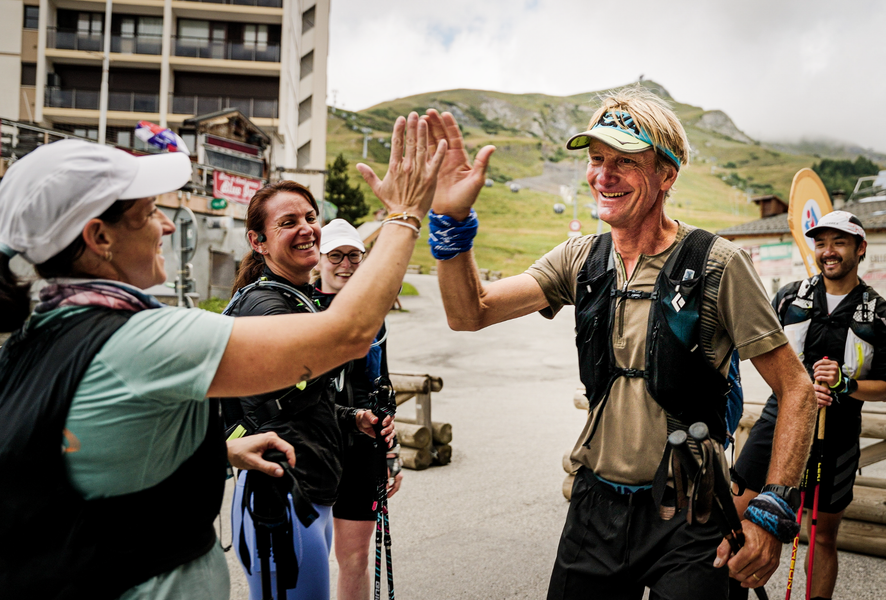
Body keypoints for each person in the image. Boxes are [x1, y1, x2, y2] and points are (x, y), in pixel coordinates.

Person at [0, 112, 444, 600]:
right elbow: (349, 334)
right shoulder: (145, 338)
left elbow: (75, 449)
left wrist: (219, 451)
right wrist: (404, 215)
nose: (167, 225)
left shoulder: (34, 335)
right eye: (149, 213)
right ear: (98, 238)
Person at [421, 85, 817, 599]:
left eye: (624, 161)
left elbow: (796, 390)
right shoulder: (580, 259)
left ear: (666, 174)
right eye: (596, 159)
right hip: (596, 508)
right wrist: (452, 224)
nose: (602, 175)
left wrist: (773, 510)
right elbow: (468, 312)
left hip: (694, 510)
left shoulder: (719, 264)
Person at [226, 113, 440, 600]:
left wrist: (352, 419)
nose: (306, 229)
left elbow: (294, 401)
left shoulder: (295, 297)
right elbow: (347, 337)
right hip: (281, 497)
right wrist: (403, 217)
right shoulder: (267, 304)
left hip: (306, 491)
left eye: (309, 217)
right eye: (288, 223)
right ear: (257, 242)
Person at [732, 211, 886, 600]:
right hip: (777, 418)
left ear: (860, 247)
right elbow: (755, 349)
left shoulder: (879, 313)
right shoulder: (789, 296)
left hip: (838, 430)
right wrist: (797, 387)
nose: (828, 251)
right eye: (821, 243)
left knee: (821, 536)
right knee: (734, 515)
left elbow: (885, 387)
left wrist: (845, 385)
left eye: (839, 242)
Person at [313, 219, 404, 600]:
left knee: (355, 557)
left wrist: (392, 452)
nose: (345, 264)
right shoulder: (299, 308)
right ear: (319, 260)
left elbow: (381, 387)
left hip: (363, 451)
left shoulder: (372, 315)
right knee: (311, 557)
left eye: (353, 255)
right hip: (314, 447)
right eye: (336, 255)